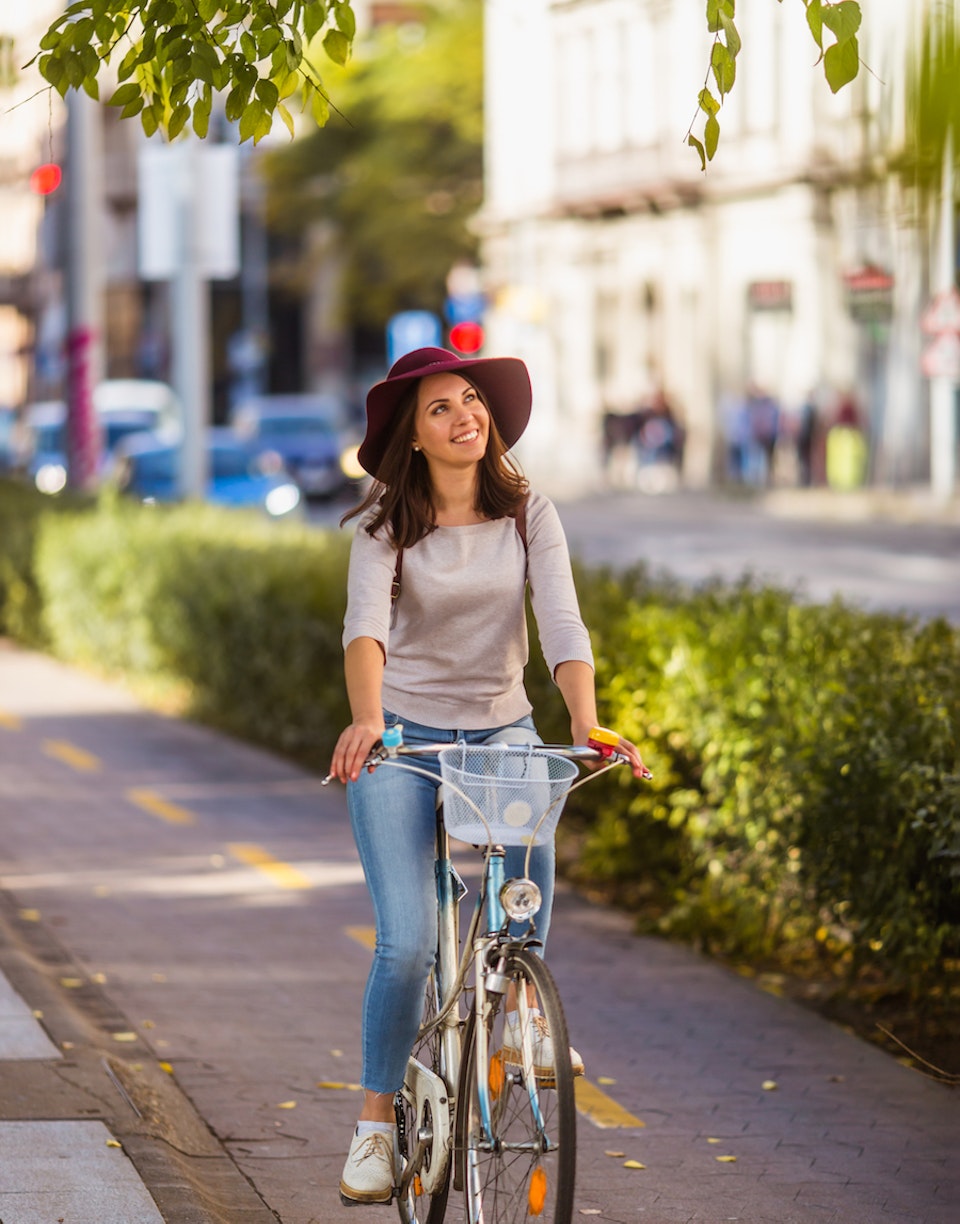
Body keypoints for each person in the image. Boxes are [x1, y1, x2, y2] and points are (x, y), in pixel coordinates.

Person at [328, 346, 648, 1206]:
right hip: (402, 738)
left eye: (471, 399)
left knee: (525, 871)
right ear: (414, 437)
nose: (464, 415)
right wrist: (367, 720)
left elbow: (562, 620)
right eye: (440, 408)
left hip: (500, 727)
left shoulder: (528, 512)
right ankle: (372, 1129)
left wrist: (584, 725)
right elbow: (366, 631)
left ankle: (518, 1015)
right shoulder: (382, 529)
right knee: (405, 945)